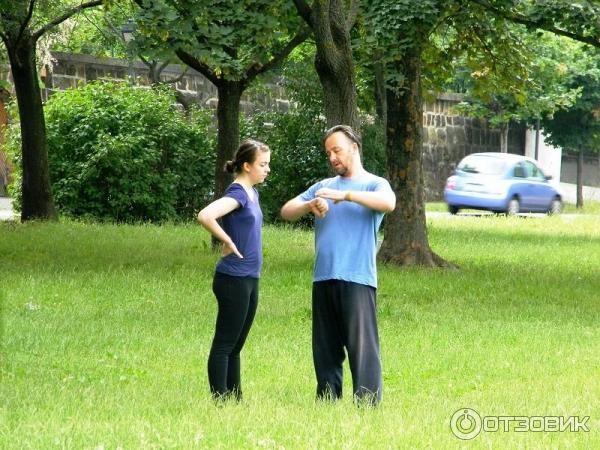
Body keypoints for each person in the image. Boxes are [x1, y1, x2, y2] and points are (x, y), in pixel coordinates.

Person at [280, 125, 395, 405]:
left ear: (354, 148)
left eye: (337, 150)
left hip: (357, 278)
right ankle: (327, 400)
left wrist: (346, 196)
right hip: (323, 277)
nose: (332, 157)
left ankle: (367, 403)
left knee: (362, 348)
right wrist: (310, 205)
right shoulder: (322, 187)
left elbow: (388, 203)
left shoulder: (374, 184)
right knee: (325, 348)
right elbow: (286, 211)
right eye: (328, 152)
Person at [197, 139, 271, 401]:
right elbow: (206, 215)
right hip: (233, 278)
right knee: (225, 344)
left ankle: (234, 399)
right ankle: (220, 399)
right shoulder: (238, 193)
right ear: (246, 165)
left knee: (236, 346)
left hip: (250, 278)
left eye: (268, 164)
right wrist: (226, 241)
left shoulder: (253, 192)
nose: (267, 169)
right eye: (262, 164)